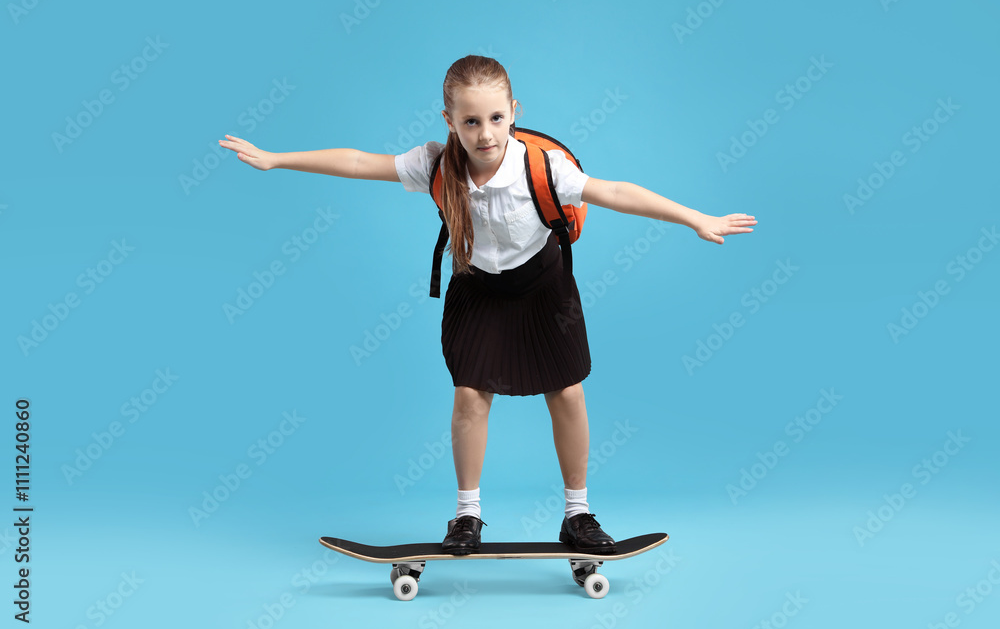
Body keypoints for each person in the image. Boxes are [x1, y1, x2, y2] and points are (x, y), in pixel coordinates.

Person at [219, 54, 756, 556]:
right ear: (449, 119)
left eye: (497, 117)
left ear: (514, 113)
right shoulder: (434, 164)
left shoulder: (541, 168)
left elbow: (615, 191)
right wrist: (276, 159)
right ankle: (467, 518)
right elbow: (360, 162)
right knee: (470, 397)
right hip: (476, 287)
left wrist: (693, 217)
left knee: (566, 392)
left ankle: (577, 514)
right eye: (471, 121)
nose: (486, 133)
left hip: (544, 286)